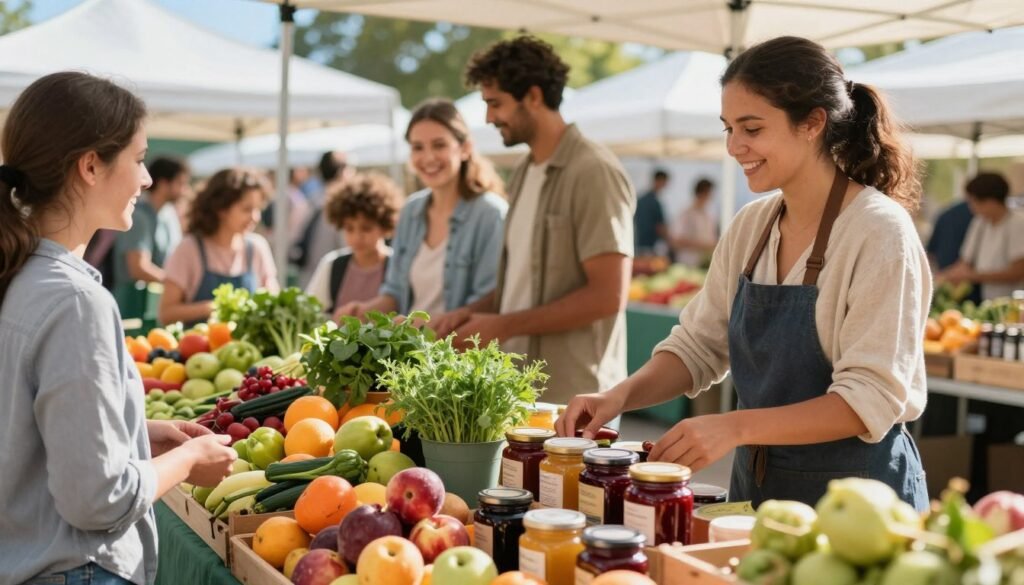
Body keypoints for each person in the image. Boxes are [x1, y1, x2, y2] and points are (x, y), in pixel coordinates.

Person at [558, 36, 930, 511]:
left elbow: (868, 399)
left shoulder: (878, 232)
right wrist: (619, 396)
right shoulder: (752, 225)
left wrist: (734, 427)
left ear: (813, 122)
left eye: (751, 128)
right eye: (728, 128)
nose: (735, 146)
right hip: (757, 496)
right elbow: (698, 346)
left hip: (861, 505)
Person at [0, 72, 236, 585]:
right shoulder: (77, 301)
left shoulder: (18, 277)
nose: (147, 178)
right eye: (139, 158)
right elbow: (97, 501)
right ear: (89, 166)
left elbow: (20, 427)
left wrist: (138, 432)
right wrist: (193, 458)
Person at [441, 36, 635, 406]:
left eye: (495, 103)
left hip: (576, 398)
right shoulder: (526, 170)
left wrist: (503, 325)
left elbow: (608, 296)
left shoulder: (593, 171)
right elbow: (524, 283)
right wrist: (472, 312)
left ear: (532, 96)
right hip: (518, 388)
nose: (488, 118)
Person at [336, 98, 507, 321]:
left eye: (439, 145)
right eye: (418, 147)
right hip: (411, 351)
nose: (428, 157)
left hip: (460, 352)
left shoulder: (491, 215)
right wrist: (363, 311)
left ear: (465, 149)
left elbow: (491, 301)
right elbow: (395, 293)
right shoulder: (411, 211)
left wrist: (428, 325)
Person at [158, 168, 280, 325]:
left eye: (258, 209)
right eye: (246, 209)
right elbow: (166, 313)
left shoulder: (257, 247)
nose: (255, 217)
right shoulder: (189, 249)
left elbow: (273, 298)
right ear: (221, 209)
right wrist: (213, 308)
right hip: (197, 347)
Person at [305, 173, 401, 315]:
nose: (357, 237)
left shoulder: (398, 265)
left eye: (366, 228)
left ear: (384, 226)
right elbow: (310, 313)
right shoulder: (333, 265)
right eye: (349, 228)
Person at [111, 156, 190, 313]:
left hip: (157, 303)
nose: (186, 190)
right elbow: (138, 268)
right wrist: (177, 285)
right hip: (133, 305)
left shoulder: (169, 214)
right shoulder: (139, 216)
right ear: (163, 184)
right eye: (180, 183)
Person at [938, 172, 1024, 301]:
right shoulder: (980, 222)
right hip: (989, 302)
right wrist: (942, 277)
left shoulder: (1018, 222)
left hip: (1015, 304)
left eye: (974, 202)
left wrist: (973, 276)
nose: (971, 208)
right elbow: (965, 263)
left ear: (991, 201)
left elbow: (1017, 272)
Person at [295, 151, 355, 288]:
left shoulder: (312, 199)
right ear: (342, 171)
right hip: (333, 284)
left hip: (308, 279)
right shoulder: (342, 204)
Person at [673, 177, 718, 267]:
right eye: (709, 193)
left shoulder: (709, 214)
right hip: (688, 262)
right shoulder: (686, 213)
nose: (711, 196)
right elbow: (677, 240)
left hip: (706, 262)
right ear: (703, 193)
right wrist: (704, 246)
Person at [634, 169, 669, 255]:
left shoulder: (640, 199)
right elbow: (660, 227)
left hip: (636, 243)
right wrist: (670, 241)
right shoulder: (654, 202)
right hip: (649, 245)